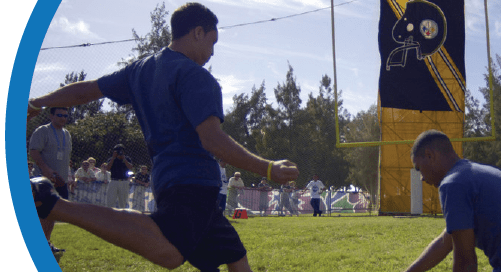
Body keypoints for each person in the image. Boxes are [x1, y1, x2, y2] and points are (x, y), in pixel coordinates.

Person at [27, 3, 299, 270]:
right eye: (212, 43)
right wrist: (268, 168)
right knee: (169, 253)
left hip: (172, 182)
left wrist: (37, 102)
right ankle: (54, 204)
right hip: (193, 182)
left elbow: (86, 90)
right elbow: (212, 140)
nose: (212, 53)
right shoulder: (197, 77)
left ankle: (55, 204)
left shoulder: (140, 69)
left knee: (236, 259)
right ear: (197, 32)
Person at [404, 130, 501, 272]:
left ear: (430, 155)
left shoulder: (453, 183)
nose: (421, 178)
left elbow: (466, 262)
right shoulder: (477, 173)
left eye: (418, 168)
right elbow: (446, 241)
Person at [28, 106, 72, 253]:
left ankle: (45, 243)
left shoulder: (67, 134)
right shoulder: (42, 131)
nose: (63, 118)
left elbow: (66, 158)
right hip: (42, 180)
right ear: (51, 116)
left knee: (51, 213)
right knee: (39, 213)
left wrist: (66, 177)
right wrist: (45, 169)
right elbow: (33, 151)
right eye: (59, 115)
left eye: (66, 116)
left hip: (60, 181)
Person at [106, 144, 133, 209]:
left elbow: (130, 167)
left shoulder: (127, 159)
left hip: (124, 181)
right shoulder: (111, 159)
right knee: (111, 200)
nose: (119, 152)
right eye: (117, 151)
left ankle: (122, 215)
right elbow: (107, 168)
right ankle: (110, 214)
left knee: (123, 201)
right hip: (113, 181)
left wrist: (124, 159)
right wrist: (113, 157)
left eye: (121, 150)